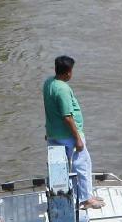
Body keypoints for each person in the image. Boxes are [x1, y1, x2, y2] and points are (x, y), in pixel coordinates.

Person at [42, 55, 100, 208]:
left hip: (54, 134)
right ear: (68, 72)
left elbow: (50, 109)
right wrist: (78, 139)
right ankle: (86, 199)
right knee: (82, 165)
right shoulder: (63, 89)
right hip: (68, 136)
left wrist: (48, 129)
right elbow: (67, 117)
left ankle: (62, 196)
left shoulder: (48, 83)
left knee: (58, 168)